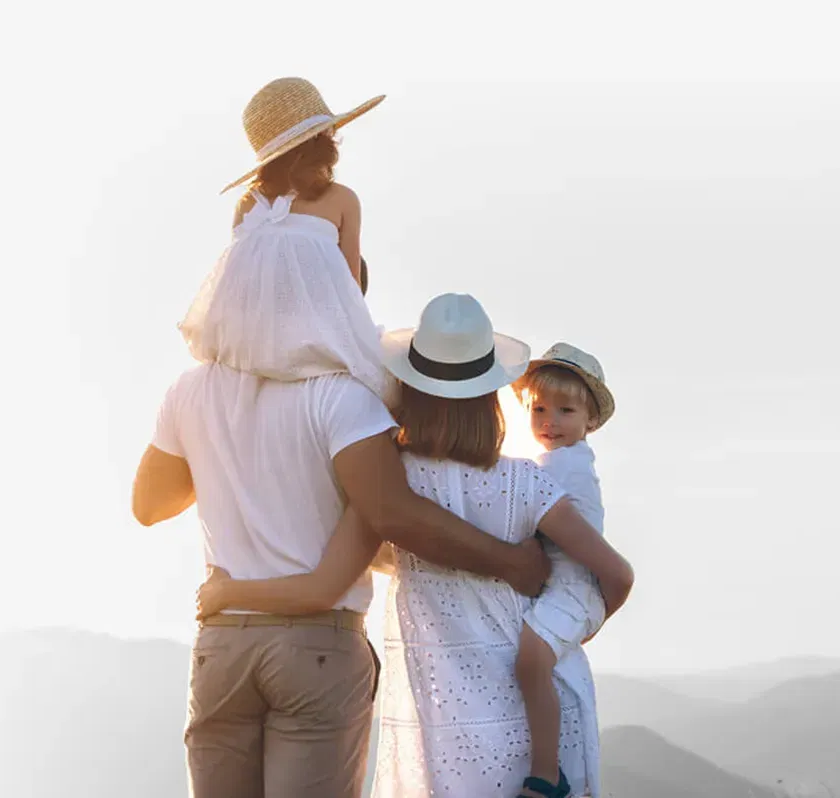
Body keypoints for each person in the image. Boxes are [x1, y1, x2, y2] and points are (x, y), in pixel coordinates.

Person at [194, 294, 634, 798]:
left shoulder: (392, 489)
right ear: (493, 394)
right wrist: (572, 631)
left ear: (408, 388)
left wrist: (229, 591)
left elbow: (335, 578)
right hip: (540, 732)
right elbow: (616, 574)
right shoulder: (530, 486)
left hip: (447, 735)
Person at [178, 77, 397, 408]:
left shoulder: (247, 206)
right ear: (323, 141)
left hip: (252, 347)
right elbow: (350, 291)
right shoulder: (342, 200)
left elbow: (247, 285)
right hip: (320, 341)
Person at [511, 342, 618, 797]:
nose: (549, 422)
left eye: (565, 410)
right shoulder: (554, 462)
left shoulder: (567, 467)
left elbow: (563, 532)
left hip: (574, 586)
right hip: (564, 584)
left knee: (531, 660)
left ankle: (546, 774)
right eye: (538, 409)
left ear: (590, 420)